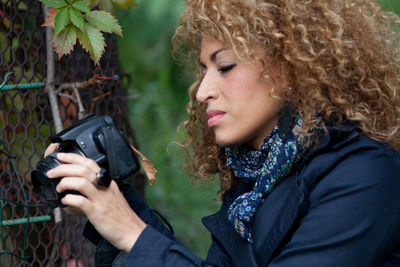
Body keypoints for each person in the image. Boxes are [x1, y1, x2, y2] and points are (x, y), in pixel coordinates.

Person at [44, 0, 400, 266]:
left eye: (225, 65)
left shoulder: (366, 175)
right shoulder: (257, 179)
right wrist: (108, 200)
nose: (201, 92)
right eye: (202, 70)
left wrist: (132, 233)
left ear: (292, 64)